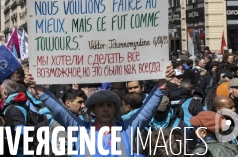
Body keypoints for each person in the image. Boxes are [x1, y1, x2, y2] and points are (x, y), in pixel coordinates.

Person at [27, 64, 174, 157]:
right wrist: (39, 89)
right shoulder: (81, 130)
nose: (105, 109)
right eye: (100, 105)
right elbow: (59, 112)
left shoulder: (127, 129)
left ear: (115, 108)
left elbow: (146, 112)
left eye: (109, 105)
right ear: (92, 110)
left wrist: (162, 84)